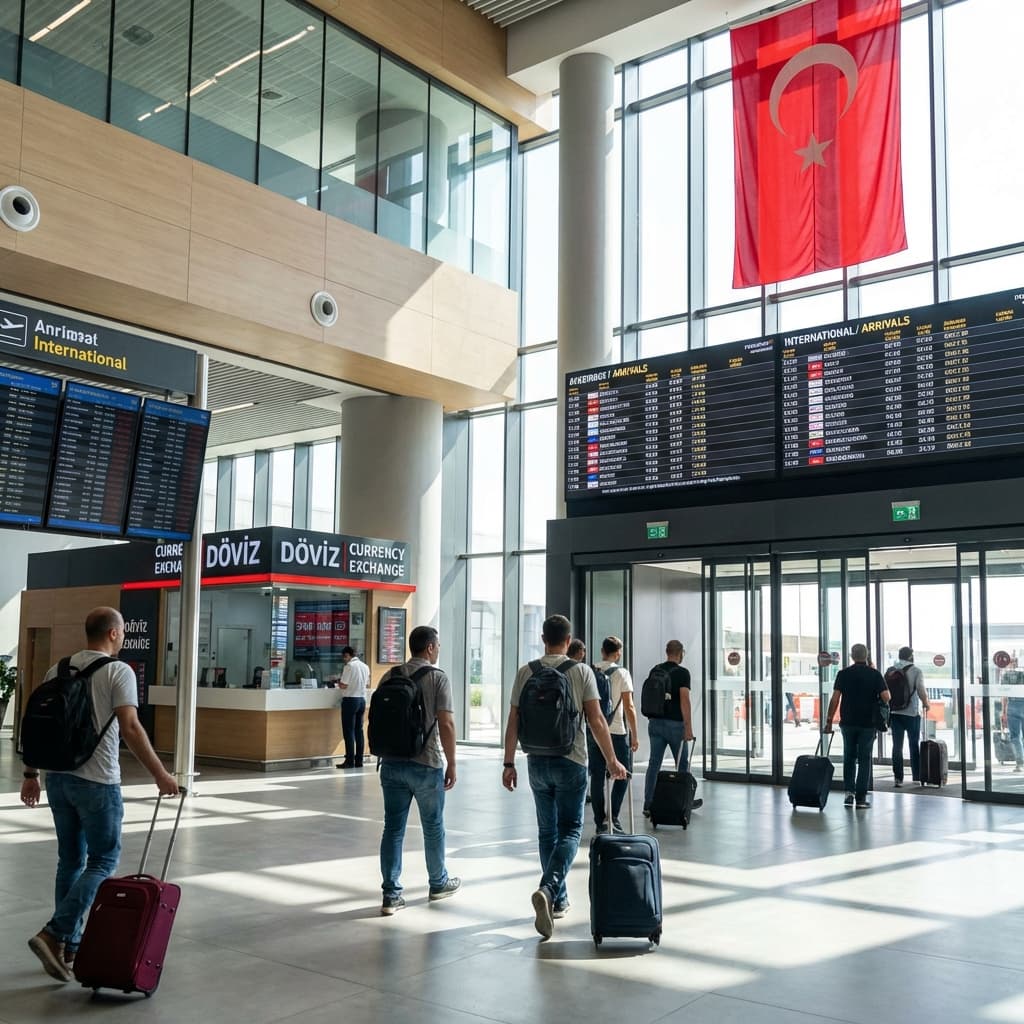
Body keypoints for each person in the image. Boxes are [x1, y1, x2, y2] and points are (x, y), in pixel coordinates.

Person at [20, 607, 179, 983]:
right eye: (122, 632)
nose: (123, 638)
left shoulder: (56, 670)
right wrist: (161, 774)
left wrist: (30, 774)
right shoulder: (118, 671)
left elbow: (37, 726)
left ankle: (68, 944)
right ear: (112, 634)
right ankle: (54, 932)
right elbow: (131, 727)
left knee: (70, 862)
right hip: (97, 782)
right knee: (104, 860)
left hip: (58, 779)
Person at [502, 614, 626, 940]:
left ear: (543, 638)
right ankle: (550, 888)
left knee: (547, 832)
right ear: (568, 641)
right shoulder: (581, 671)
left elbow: (513, 719)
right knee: (570, 830)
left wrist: (508, 762)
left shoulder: (525, 671)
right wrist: (612, 760)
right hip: (571, 761)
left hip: (536, 762)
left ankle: (558, 901)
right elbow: (597, 720)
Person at [375, 625, 459, 915]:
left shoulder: (390, 675)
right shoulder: (437, 678)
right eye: (438, 645)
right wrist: (452, 763)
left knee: (393, 829)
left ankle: (391, 894)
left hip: (392, 763)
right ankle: (438, 883)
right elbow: (446, 724)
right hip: (427, 764)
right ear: (431, 648)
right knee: (433, 827)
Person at [642, 640, 703, 817]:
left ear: (667, 652)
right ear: (681, 653)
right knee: (682, 764)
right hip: (675, 725)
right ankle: (683, 802)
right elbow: (685, 700)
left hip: (655, 723)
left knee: (654, 764)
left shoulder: (656, 670)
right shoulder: (683, 673)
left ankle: (648, 803)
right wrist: (688, 727)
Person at [825, 644, 890, 809]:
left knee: (849, 757)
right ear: (866, 655)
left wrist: (829, 720)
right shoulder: (874, 674)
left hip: (848, 722)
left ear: (851, 656)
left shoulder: (843, 674)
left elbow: (835, 699)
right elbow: (886, 697)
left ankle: (849, 793)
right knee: (865, 758)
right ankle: (861, 798)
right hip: (868, 723)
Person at [588, 636, 639, 833]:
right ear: (618, 653)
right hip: (616, 731)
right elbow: (630, 706)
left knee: (597, 777)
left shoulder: (591, 670)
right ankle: (613, 817)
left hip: (594, 731)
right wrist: (634, 734)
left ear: (602, 651)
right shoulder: (623, 673)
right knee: (623, 774)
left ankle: (600, 821)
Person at [888, 646, 930, 786]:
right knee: (913, 744)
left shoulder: (891, 670)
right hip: (911, 713)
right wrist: (926, 703)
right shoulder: (916, 671)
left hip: (894, 713)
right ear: (911, 656)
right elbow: (921, 690)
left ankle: (898, 778)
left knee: (897, 746)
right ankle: (916, 776)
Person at [336, 645, 370, 769]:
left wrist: (338, 682)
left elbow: (344, 685)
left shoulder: (349, 666)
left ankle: (349, 761)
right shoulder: (365, 666)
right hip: (362, 701)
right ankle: (359, 761)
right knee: (358, 731)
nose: (344, 659)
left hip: (350, 700)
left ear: (348, 655)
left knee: (348, 731)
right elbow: (366, 684)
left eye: (344, 657)